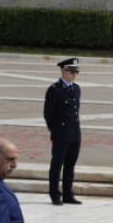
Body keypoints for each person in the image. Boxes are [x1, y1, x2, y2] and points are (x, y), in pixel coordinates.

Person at [44, 57, 83, 205]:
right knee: (57, 164)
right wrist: (55, 131)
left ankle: (68, 193)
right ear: (63, 71)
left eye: (76, 72)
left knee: (70, 164)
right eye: (71, 71)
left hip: (74, 132)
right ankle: (55, 194)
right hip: (61, 133)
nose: (74, 75)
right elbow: (48, 114)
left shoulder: (76, 88)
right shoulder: (54, 90)